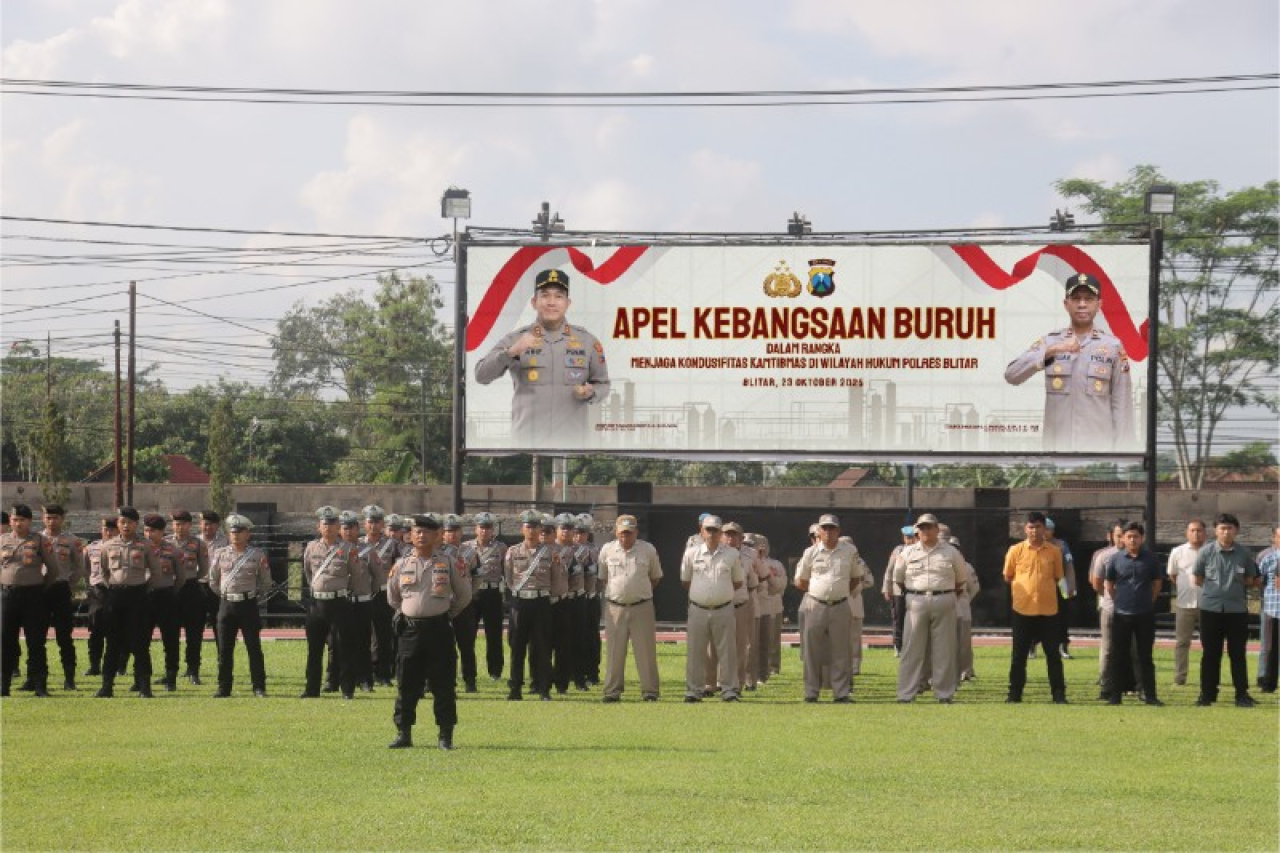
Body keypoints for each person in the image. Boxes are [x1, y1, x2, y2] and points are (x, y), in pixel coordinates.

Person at [474, 268, 611, 446]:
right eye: (545, 295)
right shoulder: (516, 339)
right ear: (534, 302)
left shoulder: (587, 341)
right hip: (527, 447)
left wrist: (592, 392)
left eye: (558, 296)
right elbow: (481, 375)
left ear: (568, 303)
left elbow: (603, 384)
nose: (551, 302)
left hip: (572, 445)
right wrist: (511, 353)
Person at [1003, 272, 1134, 452]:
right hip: (1056, 452)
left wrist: (1122, 460)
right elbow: (1012, 375)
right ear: (1066, 304)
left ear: (1099, 305)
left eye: (1088, 299)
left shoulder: (1113, 346)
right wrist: (1051, 352)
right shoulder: (1050, 342)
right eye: (1076, 298)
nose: (1082, 304)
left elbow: (1123, 407)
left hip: (1099, 454)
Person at [387, 513, 472, 750]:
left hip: (439, 629)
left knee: (443, 683)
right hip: (410, 631)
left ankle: (445, 735)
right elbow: (393, 597)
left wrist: (445, 613)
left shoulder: (448, 563)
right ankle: (403, 733)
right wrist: (409, 611)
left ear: (437, 536)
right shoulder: (401, 564)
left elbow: (464, 595)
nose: (421, 536)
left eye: (427, 532)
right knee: (406, 683)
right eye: (417, 531)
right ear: (410, 536)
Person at [892, 513, 967, 703]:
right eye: (922, 527)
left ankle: (944, 694)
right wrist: (916, 593)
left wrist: (942, 594)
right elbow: (898, 579)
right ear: (917, 530)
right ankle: (906, 694)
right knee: (911, 649)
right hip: (916, 601)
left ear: (936, 529)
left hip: (944, 599)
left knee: (944, 650)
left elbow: (961, 579)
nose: (926, 531)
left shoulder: (951, 552)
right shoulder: (907, 553)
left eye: (929, 527)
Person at [794, 515, 865, 704]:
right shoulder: (810, 552)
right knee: (812, 651)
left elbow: (856, 577)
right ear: (818, 531)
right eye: (824, 528)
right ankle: (811, 692)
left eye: (832, 528)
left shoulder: (850, 551)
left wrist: (838, 592)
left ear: (838, 531)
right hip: (815, 604)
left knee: (841, 650)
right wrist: (821, 592)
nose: (828, 532)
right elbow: (801, 581)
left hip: (841, 605)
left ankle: (840, 693)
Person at [1193, 513, 1261, 708]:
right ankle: (1207, 694)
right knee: (1210, 654)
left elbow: (1250, 579)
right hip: (1210, 609)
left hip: (1236, 610)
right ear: (1215, 531)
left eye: (1230, 528)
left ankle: (1241, 694)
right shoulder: (1206, 552)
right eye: (1222, 528)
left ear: (1236, 531)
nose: (1226, 532)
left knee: (1238, 653)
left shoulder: (1244, 553)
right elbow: (1198, 578)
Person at [1002, 511, 1067, 704]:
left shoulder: (1054, 551)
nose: (1034, 531)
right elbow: (1008, 576)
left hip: (1048, 610)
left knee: (1053, 655)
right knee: (1018, 656)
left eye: (1038, 527)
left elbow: (1057, 577)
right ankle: (1014, 694)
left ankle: (1058, 694)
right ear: (1025, 529)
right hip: (1022, 609)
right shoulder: (1015, 550)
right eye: (1031, 527)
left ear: (1045, 529)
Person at [596, 515, 663, 703]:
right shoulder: (607, 550)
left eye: (629, 533)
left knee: (646, 651)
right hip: (615, 607)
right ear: (616, 532)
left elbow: (655, 578)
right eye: (622, 533)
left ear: (636, 533)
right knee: (614, 651)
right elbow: (603, 577)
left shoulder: (648, 550)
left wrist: (636, 591)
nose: (625, 537)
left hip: (642, 606)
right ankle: (612, 692)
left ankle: (650, 691)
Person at [96, 507, 161, 699]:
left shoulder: (146, 545)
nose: (126, 526)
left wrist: (142, 589)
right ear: (118, 524)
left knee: (140, 643)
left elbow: (155, 573)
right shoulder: (108, 546)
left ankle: (144, 686)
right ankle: (107, 685)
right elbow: (103, 572)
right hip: (115, 597)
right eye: (122, 522)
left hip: (138, 597)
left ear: (136, 524)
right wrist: (113, 589)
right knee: (113, 642)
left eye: (130, 522)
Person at [681, 515, 743, 703]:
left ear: (721, 533)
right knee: (695, 652)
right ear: (701, 531)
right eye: (708, 530)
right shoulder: (691, 553)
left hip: (723, 608)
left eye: (716, 530)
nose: (712, 534)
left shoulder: (732, 554)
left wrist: (719, 594)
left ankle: (729, 690)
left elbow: (738, 581)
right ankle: (694, 690)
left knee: (728, 652)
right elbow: (685, 581)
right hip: (698, 609)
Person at [207, 514, 271, 698]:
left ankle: (259, 687)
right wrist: (226, 595)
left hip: (248, 604)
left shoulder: (257, 555)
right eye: (233, 532)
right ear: (228, 533)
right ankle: (223, 687)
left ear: (247, 534)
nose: (235, 535)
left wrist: (251, 595)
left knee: (253, 647)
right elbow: (213, 580)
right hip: (226, 604)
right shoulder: (220, 554)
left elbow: (265, 582)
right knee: (224, 649)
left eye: (240, 532)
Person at [1102, 521, 1164, 706]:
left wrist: (1148, 601)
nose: (1132, 540)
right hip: (1121, 614)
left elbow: (1157, 585)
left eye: (1136, 536)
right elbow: (1109, 585)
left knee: (1145, 656)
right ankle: (1115, 696)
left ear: (1142, 538)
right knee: (1118, 655)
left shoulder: (1151, 559)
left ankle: (1150, 695)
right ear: (1122, 538)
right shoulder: (1115, 559)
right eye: (1129, 536)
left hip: (1144, 614)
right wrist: (1120, 601)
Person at [300, 506, 358, 700]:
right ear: (319, 526)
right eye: (325, 523)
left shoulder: (348, 549)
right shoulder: (311, 547)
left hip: (339, 602)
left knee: (344, 647)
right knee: (314, 649)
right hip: (317, 604)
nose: (329, 527)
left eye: (333, 523)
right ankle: (312, 689)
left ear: (338, 527)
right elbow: (308, 572)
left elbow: (356, 577)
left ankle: (347, 688)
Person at [504, 509, 561, 701]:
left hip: (541, 602)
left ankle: (544, 688)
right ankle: (515, 688)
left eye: (536, 526)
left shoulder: (551, 553)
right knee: (517, 647)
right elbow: (509, 577)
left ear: (540, 529)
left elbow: (557, 580)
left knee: (543, 647)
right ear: (522, 528)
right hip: (520, 602)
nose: (532, 530)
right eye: (528, 526)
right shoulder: (512, 551)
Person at [1, 504, 56, 697]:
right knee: (5, 641)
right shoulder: (2, 540)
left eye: (22, 520)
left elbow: (53, 569)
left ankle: (39, 684)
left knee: (35, 641)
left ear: (30, 522)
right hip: (8, 596)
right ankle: (4, 684)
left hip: (33, 596)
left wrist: (41, 587)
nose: (18, 523)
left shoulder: (40, 540)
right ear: (10, 521)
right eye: (15, 520)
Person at [39, 504, 84, 691]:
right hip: (39, 591)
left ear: (62, 519)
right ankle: (36, 677)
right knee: (36, 636)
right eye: (48, 517)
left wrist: (68, 584)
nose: (52, 521)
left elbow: (79, 567)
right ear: (43, 518)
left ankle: (69, 678)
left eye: (55, 517)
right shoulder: (36, 540)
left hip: (61, 590)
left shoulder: (72, 541)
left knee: (64, 636)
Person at [460, 512, 507, 682]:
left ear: (493, 530)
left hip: (492, 592)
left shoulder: (501, 548)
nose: (484, 531)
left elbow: (506, 571)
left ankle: (495, 671)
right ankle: (467, 671)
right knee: (468, 634)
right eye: (481, 527)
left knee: (494, 634)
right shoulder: (465, 547)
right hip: (472, 593)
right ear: (475, 529)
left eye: (488, 527)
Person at [337, 510, 380, 693]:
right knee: (341, 642)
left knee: (363, 641)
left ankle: (365, 680)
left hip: (362, 600)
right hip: (341, 600)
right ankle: (342, 678)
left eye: (351, 528)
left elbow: (378, 576)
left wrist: (369, 592)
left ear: (357, 529)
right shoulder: (335, 549)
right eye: (344, 528)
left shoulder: (367, 550)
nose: (348, 532)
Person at [142, 513, 185, 692]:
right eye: (146, 530)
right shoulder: (139, 548)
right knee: (141, 640)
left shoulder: (173, 550)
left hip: (166, 597)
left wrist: (170, 591)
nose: (149, 534)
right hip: (143, 597)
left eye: (153, 531)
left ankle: (171, 677)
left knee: (170, 640)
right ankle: (142, 677)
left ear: (161, 532)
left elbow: (181, 577)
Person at [360, 505, 402, 688]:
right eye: (370, 522)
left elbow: (399, 569)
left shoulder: (392, 545)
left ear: (383, 524)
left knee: (384, 636)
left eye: (377, 522)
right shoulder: (359, 544)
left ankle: (383, 674)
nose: (374, 526)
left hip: (384, 594)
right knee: (363, 635)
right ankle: (365, 672)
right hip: (363, 593)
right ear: (364, 524)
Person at [168, 509, 211, 684]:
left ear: (189, 525)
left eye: (183, 524)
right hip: (170, 590)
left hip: (191, 588)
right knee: (170, 633)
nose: (179, 527)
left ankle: (193, 670)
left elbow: (204, 568)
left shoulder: (198, 544)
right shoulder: (165, 543)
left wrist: (190, 578)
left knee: (194, 633)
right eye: (176, 524)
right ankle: (171, 670)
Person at [1167, 519, 1207, 687]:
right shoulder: (1177, 552)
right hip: (1184, 604)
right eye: (1192, 530)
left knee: (1210, 644)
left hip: (1208, 605)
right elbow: (1173, 575)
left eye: (1199, 530)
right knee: (1182, 643)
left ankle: (1208, 678)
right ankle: (1180, 677)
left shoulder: (1211, 551)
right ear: (1186, 533)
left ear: (1205, 533)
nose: (1195, 533)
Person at [82, 517, 118, 678]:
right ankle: (94, 665)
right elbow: (86, 570)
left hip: (117, 591)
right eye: (106, 529)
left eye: (112, 529)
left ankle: (118, 666)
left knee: (117, 631)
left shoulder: (122, 547)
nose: (108, 532)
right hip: (98, 592)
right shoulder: (91, 548)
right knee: (96, 631)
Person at [574, 515, 603, 687]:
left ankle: (592, 672)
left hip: (590, 597)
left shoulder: (597, 551)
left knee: (592, 636)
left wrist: (596, 592)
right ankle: (573, 670)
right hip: (573, 598)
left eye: (583, 532)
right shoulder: (565, 550)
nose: (579, 536)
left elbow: (601, 576)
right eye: (576, 532)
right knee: (572, 636)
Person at [1044, 517, 1077, 659]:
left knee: (1062, 615)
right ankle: (1033, 644)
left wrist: (1071, 585)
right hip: (1040, 585)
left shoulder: (1061, 546)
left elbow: (1069, 565)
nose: (1045, 532)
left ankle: (1062, 645)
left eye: (1048, 529)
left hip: (1059, 583)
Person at [881, 525, 916, 657]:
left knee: (914, 618)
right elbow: (890, 570)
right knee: (898, 618)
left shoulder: (919, 550)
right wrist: (886, 588)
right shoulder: (898, 550)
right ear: (904, 538)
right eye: (908, 537)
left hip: (914, 589)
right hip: (898, 590)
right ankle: (898, 644)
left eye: (912, 537)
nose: (910, 540)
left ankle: (911, 645)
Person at [1256, 525, 1280, 692]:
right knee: (1269, 647)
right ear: (1274, 538)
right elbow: (1258, 580)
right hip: (1272, 607)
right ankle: (1265, 680)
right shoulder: (1266, 556)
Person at [953, 537, 981, 683]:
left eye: (955, 547)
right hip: (942, 610)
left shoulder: (967, 566)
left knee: (963, 644)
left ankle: (966, 671)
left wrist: (965, 600)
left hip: (962, 610)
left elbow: (974, 588)